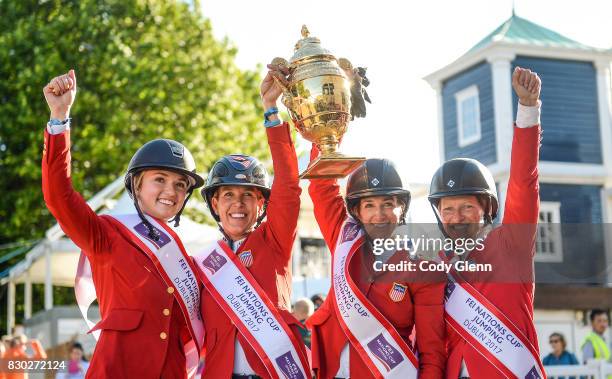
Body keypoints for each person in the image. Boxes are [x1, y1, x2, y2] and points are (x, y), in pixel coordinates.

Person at [42, 70, 205, 378]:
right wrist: (59, 117)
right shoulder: (106, 233)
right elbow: (58, 196)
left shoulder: (187, 262)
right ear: (137, 185)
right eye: (160, 180)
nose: (171, 191)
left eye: (181, 184)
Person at [192, 63, 310, 378]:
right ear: (215, 204)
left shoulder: (275, 240)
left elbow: (288, 185)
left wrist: (271, 111)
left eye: (248, 196)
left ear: (261, 204)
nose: (238, 204)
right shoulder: (202, 264)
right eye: (228, 195)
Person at [428, 67, 545, 379]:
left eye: (467, 206)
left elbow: (524, 181)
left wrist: (528, 109)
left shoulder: (511, 244)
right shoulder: (437, 267)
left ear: (487, 208)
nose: (457, 217)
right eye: (448, 209)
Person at [307, 152, 446, 378]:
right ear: (357, 211)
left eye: (388, 204)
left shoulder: (423, 266)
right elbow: (322, 186)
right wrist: (326, 137)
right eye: (369, 205)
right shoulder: (344, 240)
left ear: (402, 208)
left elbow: (432, 351)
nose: (379, 215)